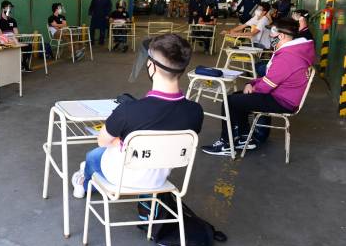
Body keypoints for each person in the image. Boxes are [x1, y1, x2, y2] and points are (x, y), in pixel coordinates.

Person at [71, 34, 204, 197]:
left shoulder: (129, 110)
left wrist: (121, 142)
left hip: (119, 177)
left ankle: (84, 184)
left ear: (151, 66)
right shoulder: (195, 111)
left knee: (93, 156)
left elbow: (102, 141)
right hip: (159, 180)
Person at [201, 18, 315, 155]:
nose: (270, 36)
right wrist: (251, 83)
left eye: (272, 33)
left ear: (282, 36)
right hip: (283, 95)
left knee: (230, 101)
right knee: (238, 97)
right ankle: (243, 138)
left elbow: (266, 86)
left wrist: (253, 87)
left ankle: (226, 144)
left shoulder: (288, 57)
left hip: (283, 101)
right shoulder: (296, 50)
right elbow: (270, 78)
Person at [0, 0, 31, 72]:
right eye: (8, 7)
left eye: (10, 8)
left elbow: (16, 32)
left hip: (14, 39)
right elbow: (0, 35)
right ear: (3, 9)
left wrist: (15, 39)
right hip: (4, 40)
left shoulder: (13, 20)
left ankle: (23, 64)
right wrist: (10, 40)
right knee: (10, 44)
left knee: (28, 46)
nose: (9, 9)